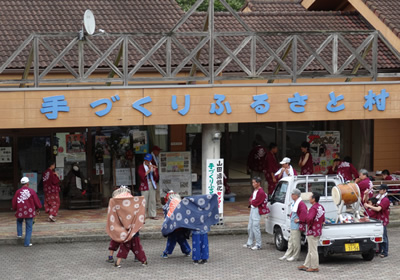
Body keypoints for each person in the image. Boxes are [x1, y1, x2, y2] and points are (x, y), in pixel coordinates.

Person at [106, 186, 148, 268]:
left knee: (117, 242)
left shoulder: (116, 199)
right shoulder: (133, 200)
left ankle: (112, 258)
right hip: (133, 228)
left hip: (120, 227)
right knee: (136, 246)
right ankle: (142, 260)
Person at [298, 192, 325, 273]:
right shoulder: (321, 207)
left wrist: (308, 225)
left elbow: (309, 218)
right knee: (310, 249)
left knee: (313, 250)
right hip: (318, 230)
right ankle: (306, 264)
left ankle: (314, 266)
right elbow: (323, 218)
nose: (309, 199)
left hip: (312, 231)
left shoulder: (313, 208)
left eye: (310, 197)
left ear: (313, 199)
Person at [12, 177, 42, 247]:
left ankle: (19, 234)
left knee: (19, 221)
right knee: (29, 227)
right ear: (28, 183)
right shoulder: (31, 191)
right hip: (29, 212)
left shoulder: (18, 192)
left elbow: (14, 202)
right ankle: (27, 243)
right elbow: (36, 201)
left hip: (20, 211)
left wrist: (14, 208)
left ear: (21, 183)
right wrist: (38, 208)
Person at [279, 188, 307, 261]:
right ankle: (288, 254)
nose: (291, 195)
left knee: (296, 241)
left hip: (296, 226)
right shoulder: (295, 203)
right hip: (293, 225)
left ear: (296, 195)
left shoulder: (301, 204)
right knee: (291, 241)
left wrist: (299, 220)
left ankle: (295, 256)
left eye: (293, 194)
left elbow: (304, 213)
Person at [161, 191, 191, 259]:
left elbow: (166, 216)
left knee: (171, 240)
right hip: (180, 225)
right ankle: (187, 251)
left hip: (172, 227)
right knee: (182, 240)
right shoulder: (180, 203)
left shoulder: (168, 205)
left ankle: (166, 253)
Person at [364, 184, 390, 258]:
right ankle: (379, 250)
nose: (379, 190)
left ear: (384, 190)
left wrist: (369, 206)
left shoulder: (385, 200)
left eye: (381, 189)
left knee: (383, 236)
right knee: (378, 235)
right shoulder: (378, 197)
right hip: (377, 219)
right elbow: (370, 201)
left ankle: (385, 252)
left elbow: (378, 209)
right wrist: (366, 194)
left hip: (382, 219)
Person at [243, 177, 268, 251]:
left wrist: (251, 201)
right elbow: (251, 199)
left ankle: (258, 244)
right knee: (250, 227)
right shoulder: (255, 190)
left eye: (254, 182)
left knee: (255, 227)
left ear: (258, 183)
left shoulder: (261, 192)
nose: (253, 184)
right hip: (253, 208)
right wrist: (252, 201)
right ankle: (249, 243)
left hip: (257, 209)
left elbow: (256, 202)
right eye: (252, 182)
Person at [138, 153, 159, 220]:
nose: (148, 162)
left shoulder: (152, 166)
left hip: (152, 183)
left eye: (149, 161)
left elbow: (157, 177)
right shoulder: (141, 167)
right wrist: (149, 170)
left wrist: (155, 171)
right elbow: (141, 176)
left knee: (152, 200)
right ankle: (143, 216)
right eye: (147, 160)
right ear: (145, 160)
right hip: (145, 184)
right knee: (144, 201)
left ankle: (152, 214)